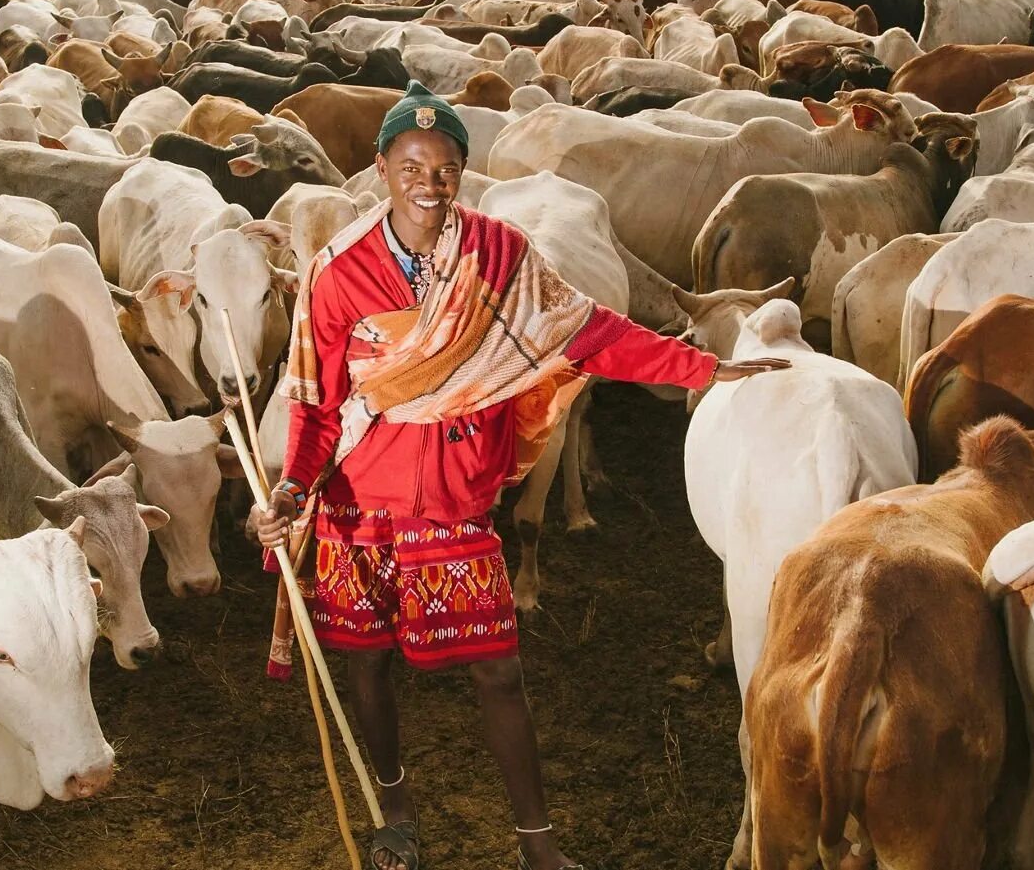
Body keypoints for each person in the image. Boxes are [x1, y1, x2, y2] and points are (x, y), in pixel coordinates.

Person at [250, 81, 788, 870]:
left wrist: (704, 366)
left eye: (446, 167)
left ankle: (539, 846)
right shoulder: (339, 272)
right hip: (360, 501)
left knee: (499, 670)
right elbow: (318, 405)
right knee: (365, 661)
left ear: (462, 173)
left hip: (457, 502)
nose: (429, 183)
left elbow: (589, 329)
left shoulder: (500, 254)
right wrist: (292, 492)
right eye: (412, 165)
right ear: (381, 169)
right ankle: (395, 811)